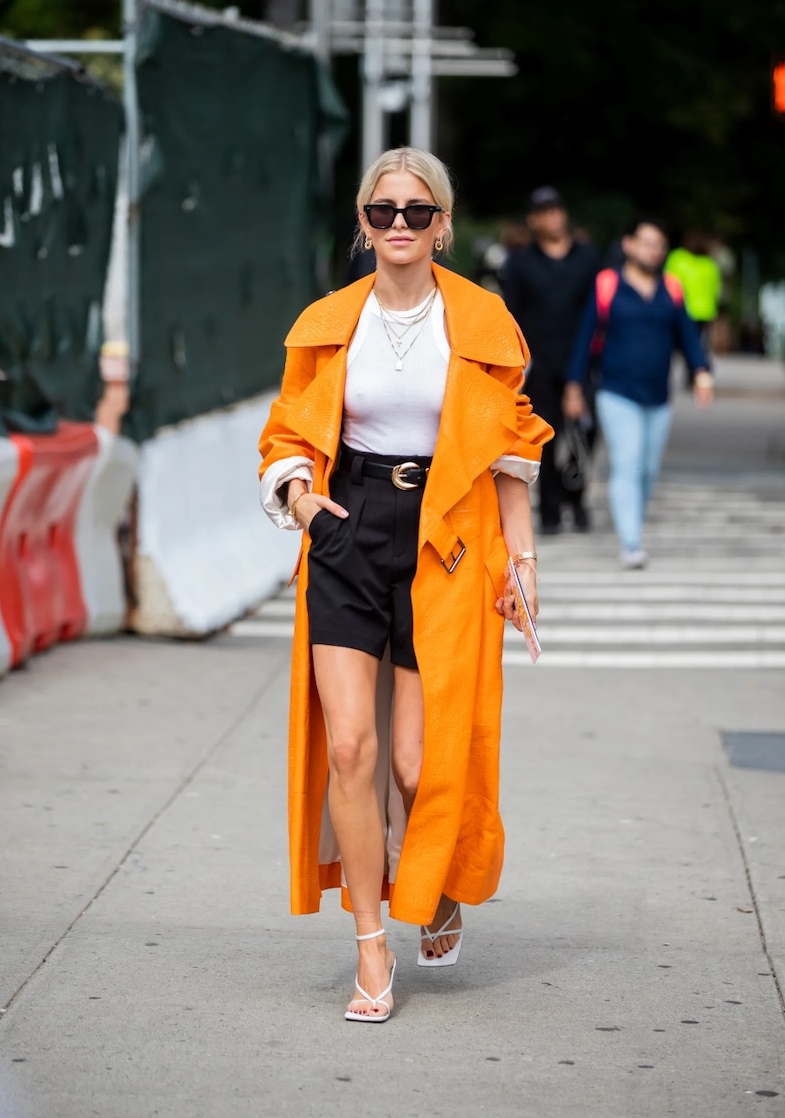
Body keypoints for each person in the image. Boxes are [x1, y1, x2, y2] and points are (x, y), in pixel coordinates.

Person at [258, 146, 553, 1023]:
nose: (398, 225)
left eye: (416, 212)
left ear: (443, 224)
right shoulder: (326, 322)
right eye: (382, 210)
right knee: (348, 748)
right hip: (347, 529)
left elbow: (510, 452)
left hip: (448, 542)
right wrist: (305, 502)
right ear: (361, 220)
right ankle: (371, 945)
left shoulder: (481, 321)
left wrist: (522, 563)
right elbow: (285, 432)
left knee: (416, 761)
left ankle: (439, 876)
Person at [564, 214, 714, 570]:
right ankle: (631, 542)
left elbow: (688, 335)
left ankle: (634, 526)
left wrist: (702, 370)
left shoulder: (671, 288)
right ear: (628, 244)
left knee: (647, 470)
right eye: (646, 243)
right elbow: (586, 337)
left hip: (658, 395)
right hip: (615, 391)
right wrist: (574, 385)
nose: (654, 251)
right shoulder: (608, 284)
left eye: (659, 245)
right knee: (628, 463)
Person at [499, 186, 601, 534]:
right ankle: (552, 510)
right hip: (540, 364)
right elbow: (512, 314)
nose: (552, 216)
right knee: (546, 437)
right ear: (534, 219)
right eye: (544, 211)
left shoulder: (587, 258)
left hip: (583, 361)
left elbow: (597, 311)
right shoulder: (522, 263)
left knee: (586, 433)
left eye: (556, 209)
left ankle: (577, 495)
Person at [664, 229, 723, 381]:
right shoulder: (709, 264)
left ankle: (694, 369)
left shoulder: (678, 259)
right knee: (697, 342)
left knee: (680, 341)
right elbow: (716, 288)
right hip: (705, 310)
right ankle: (698, 369)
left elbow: (668, 281)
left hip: (683, 308)